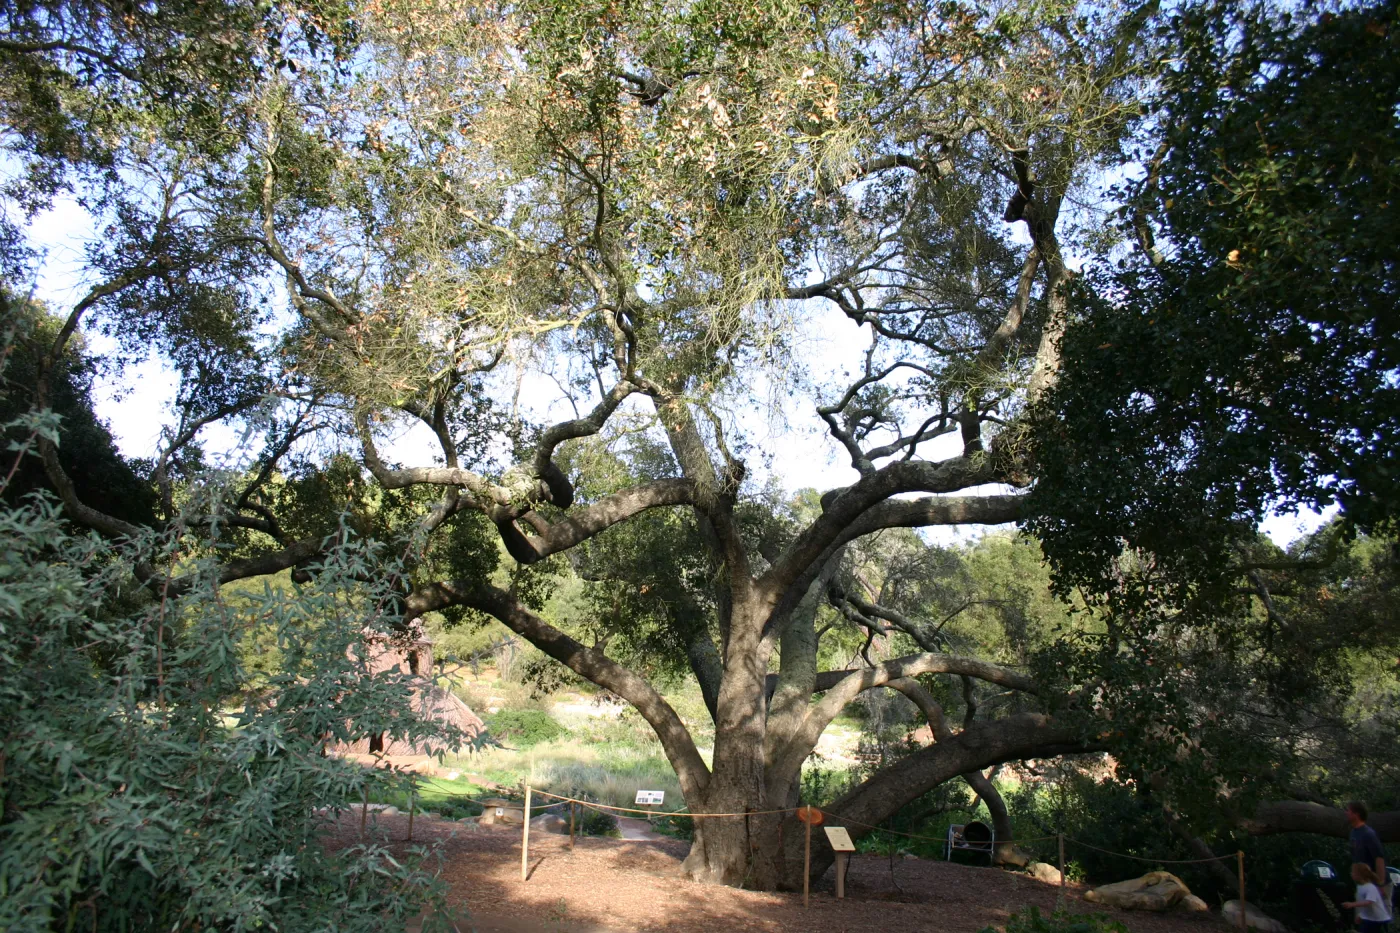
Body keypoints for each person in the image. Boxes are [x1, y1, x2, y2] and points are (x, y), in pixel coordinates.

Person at [1349, 803, 1393, 909]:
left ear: (1356, 814)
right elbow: (1356, 858)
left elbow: (1379, 858)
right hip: (1364, 884)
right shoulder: (1353, 833)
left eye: (1349, 811)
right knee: (1363, 916)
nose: (1346, 813)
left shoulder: (1368, 834)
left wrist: (1381, 884)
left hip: (1378, 884)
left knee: (1382, 915)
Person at [1344, 864, 1392, 933]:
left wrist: (1352, 904)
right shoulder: (1360, 887)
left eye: (1353, 872)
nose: (1351, 874)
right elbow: (1364, 905)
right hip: (1369, 919)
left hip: (1378, 920)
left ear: (1360, 875)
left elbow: (1369, 902)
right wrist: (1361, 915)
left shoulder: (1370, 887)